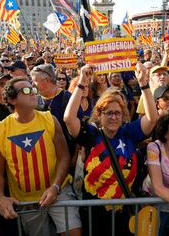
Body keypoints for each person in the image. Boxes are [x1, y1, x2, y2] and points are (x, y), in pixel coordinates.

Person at [64, 63, 158, 235]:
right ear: (99, 115)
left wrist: (144, 84)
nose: (114, 117)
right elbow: (69, 118)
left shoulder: (129, 133)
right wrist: (81, 83)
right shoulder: (91, 134)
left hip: (123, 212)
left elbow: (152, 119)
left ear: (123, 116)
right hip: (94, 212)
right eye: (108, 113)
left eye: (117, 113)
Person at [0, 77, 81, 236]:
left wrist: (56, 187)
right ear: (11, 100)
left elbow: (64, 157)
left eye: (32, 88)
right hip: (26, 202)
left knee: (73, 232)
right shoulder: (1, 129)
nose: (32, 92)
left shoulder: (49, 120)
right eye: (25, 90)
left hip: (59, 192)